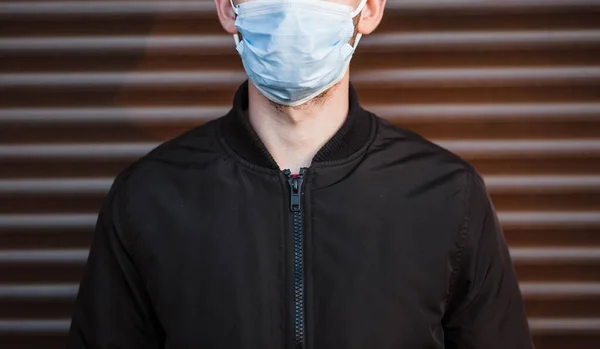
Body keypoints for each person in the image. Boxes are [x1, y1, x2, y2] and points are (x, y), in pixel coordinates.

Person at [67, 0, 534, 348]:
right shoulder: (149, 198)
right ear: (229, 11)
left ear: (368, 9)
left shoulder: (449, 197)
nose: (293, 9)